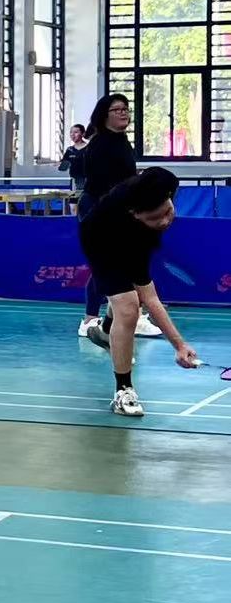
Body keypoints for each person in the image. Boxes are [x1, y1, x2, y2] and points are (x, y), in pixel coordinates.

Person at [81, 168, 198, 417]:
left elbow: (149, 296)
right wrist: (179, 345)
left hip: (130, 232)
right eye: (155, 218)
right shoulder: (124, 229)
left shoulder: (164, 184)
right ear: (135, 214)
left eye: (167, 211)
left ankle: (105, 331)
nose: (165, 221)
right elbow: (151, 298)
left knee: (130, 300)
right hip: (100, 240)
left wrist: (179, 345)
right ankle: (123, 390)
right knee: (128, 308)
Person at [76, 94, 160, 340]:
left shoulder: (122, 141)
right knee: (106, 264)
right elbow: (105, 184)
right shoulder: (99, 145)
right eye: (117, 109)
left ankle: (128, 317)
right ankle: (90, 319)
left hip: (120, 208)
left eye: (126, 108)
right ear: (105, 115)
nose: (124, 113)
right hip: (99, 209)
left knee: (126, 264)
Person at [58, 124, 89, 196]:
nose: (72, 135)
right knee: (73, 199)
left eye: (76, 132)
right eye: (71, 132)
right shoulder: (70, 150)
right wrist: (60, 164)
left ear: (83, 134)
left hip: (86, 180)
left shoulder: (89, 148)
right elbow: (63, 167)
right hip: (74, 180)